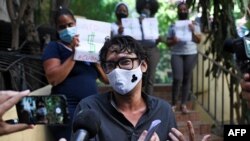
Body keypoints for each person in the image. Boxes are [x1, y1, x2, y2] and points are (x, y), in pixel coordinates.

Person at [73, 35, 177, 141]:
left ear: (143, 65)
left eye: (125, 62)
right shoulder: (89, 109)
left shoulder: (164, 111)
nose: (117, 70)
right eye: (110, 65)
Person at [41, 7, 108, 141]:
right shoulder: (53, 47)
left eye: (70, 25)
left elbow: (107, 79)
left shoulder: (91, 46)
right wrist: (74, 54)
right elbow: (53, 79)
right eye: (62, 26)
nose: (67, 29)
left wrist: (94, 59)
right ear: (57, 29)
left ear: (76, 25)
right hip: (61, 106)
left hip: (90, 107)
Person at [166, 2, 202, 114]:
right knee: (177, 78)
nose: (183, 11)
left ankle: (183, 104)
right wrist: (173, 41)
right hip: (176, 53)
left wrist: (193, 31)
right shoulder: (173, 25)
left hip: (190, 53)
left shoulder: (194, 24)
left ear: (188, 11)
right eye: (180, 9)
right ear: (177, 11)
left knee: (187, 78)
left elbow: (199, 40)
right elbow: (167, 42)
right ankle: (173, 103)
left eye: (184, 9)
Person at [135, 0, 161, 95]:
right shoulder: (135, 21)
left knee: (150, 77)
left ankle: (148, 101)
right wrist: (139, 23)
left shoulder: (154, 21)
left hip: (152, 50)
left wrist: (159, 39)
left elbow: (155, 39)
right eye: (145, 6)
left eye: (149, 7)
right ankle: (138, 99)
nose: (147, 8)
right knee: (138, 76)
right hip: (139, 50)